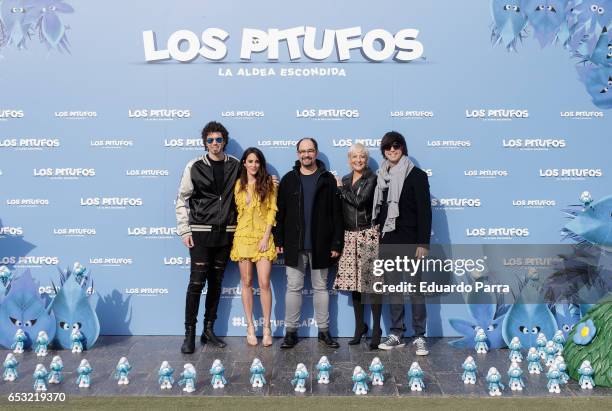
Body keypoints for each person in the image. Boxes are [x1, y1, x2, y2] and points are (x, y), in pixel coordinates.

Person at [176, 121, 240, 353]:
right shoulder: (194, 166)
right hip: (201, 234)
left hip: (226, 234)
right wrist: (185, 229)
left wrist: (271, 183)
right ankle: (189, 334)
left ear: (225, 141)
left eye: (219, 139)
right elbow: (182, 199)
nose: (215, 143)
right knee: (196, 283)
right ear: (205, 143)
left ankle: (208, 330)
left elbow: (251, 187)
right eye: (210, 140)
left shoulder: (236, 165)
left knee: (216, 283)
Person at [274, 138, 344, 349]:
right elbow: (280, 213)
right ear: (298, 154)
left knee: (321, 288)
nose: (306, 155)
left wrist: (336, 243)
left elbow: (336, 215)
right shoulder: (288, 180)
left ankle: (324, 332)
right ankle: (291, 333)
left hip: (321, 244)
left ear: (316, 153)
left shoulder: (327, 180)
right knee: (293, 288)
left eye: (310, 151)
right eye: (303, 151)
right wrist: (279, 239)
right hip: (294, 244)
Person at [372, 131, 432, 355]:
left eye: (396, 146)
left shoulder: (417, 175)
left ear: (403, 148)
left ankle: (419, 336)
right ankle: (397, 332)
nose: (392, 150)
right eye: (388, 147)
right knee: (394, 288)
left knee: (416, 289)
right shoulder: (382, 176)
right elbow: (380, 211)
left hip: (411, 242)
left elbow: (425, 213)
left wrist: (423, 243)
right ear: (384, 151)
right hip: (389, 240)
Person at [332, 143, 381, 349]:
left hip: (367, 234)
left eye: (362, 157)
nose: (358, 160)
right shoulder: (344, 179)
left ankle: (377, 329)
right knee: (355, 285)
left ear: (366, 159)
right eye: (354, 157)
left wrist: (341, 189)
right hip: (349, 236)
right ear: (349, 159)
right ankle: (359, 327)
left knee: (371, 285)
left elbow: (360, 201)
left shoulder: (372, 178)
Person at [230, 147, 277, 347]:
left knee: (264, 283)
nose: (254, 165)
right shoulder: (238, 185)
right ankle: (250, 326)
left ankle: (266, 327)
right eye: (250, 161)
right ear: (244, 163)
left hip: (263, 238)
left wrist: (266, 237)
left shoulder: (270, 184)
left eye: (257, 161)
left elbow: (271, 212)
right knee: (247, 282)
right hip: (242, 238)